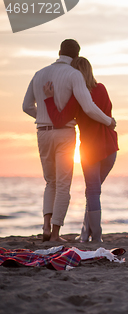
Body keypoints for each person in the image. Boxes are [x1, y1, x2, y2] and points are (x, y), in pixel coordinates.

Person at [22, 39, 116, 242]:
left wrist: (43, 115)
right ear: (76, 55)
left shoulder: (39, 74)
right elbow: (91, 108)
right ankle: (68, 234)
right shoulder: (83, 79)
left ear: (59, 52)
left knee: (51, 182)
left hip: (46, 133)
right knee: (75, 187)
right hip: (84, 138)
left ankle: (47, 227)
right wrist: (109, 122)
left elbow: (26, 107)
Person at [43, 56, 119, 243]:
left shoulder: (76, 96)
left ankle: (97, 236)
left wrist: (50, 99)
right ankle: (86, 232)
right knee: (94, 191)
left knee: (92, 192)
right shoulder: (102, 88)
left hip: (91, 150)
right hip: (110, 147)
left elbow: (59, 120)